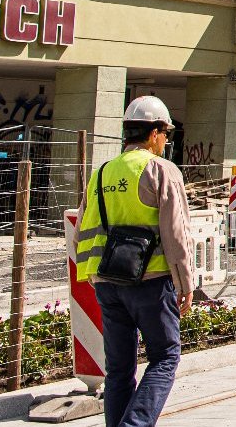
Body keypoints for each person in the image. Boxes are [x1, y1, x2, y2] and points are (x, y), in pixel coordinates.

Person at [76, 97, 194, 427]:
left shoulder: (101, 173)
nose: (167, 140)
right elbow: (177, 234)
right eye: (166, 133)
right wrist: (185, 284)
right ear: (154, 133)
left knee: (119, 371)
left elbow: (83, 232)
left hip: (107, 284)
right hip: (151, 284)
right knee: (166, 356)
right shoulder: (161, 170)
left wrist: (91, 276)